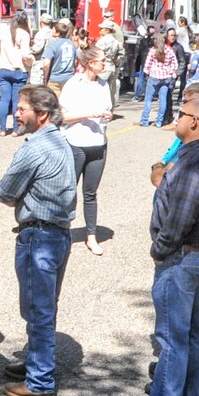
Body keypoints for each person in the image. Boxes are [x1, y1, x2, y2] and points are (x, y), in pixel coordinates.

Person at [124, 98, 199, 396]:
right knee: (194, 329)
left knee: (172, 334)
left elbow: (179, 219)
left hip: (182, 256)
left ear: (196, 122)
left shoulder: (194, 163)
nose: (177, 119)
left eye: (182, 115)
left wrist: (160, 248)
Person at [0, 84, 78, 396]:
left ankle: (40, 381)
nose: (17, 113)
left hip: (39, 236)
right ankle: (35, 362)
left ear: (41, 115)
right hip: (58, 235)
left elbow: (5, 192)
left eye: (22, 109)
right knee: (43, 307)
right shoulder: (61, 141)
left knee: (38, 310)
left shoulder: (35, 148)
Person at [57, 48, 114, 256]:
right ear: (90, 62)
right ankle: (63, 232)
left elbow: (109, 109)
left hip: (98, 144)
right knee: (69, 190)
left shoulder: (103, 84)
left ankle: (91, 235)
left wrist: (108, 115)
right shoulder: (73, 84)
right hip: (76, 143)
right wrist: (88, 114)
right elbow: (62, 116)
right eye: (102, 61)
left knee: (90, 193)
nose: (104, 64)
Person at [0, 15, 32, 135]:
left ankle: (2, 129)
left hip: (3, 69)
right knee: (16, 101)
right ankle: (16, 130)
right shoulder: (24, 34)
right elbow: (25, 55)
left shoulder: (2, 30)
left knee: (4, 100)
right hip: (18, 71)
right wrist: (31, 61)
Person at [139, 32, 179, 127]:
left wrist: (147, 72)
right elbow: (175, 64)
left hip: (154, 77)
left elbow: (147, 65)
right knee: (163, 99)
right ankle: (159, 121)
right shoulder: (169, 50)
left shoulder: (153, 50)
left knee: (148, 99)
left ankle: (144, 120)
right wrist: (171, 72)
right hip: (166, 78)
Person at [40, 17, 79, 88]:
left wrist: (45, 78)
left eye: (53, 29)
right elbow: (75, 62)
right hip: (69, 79)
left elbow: (46, 64)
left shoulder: (52, 45)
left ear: (58, 33)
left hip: (55, 80)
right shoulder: (72, 44)